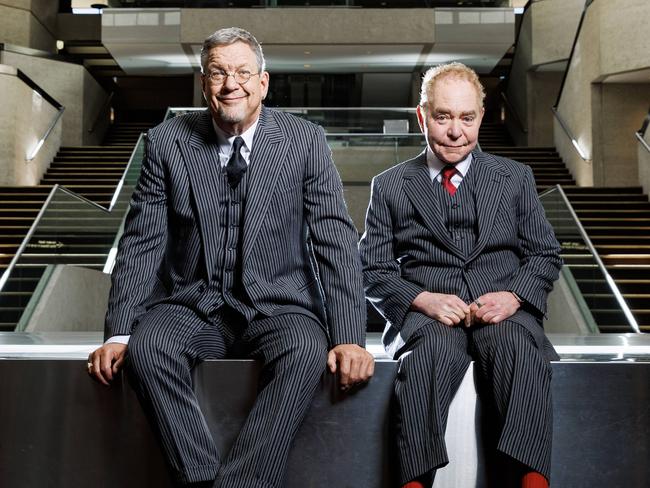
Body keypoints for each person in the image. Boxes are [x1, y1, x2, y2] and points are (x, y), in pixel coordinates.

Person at [87, 27, 374, 488]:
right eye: (218, 72)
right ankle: (200, 478)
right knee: (149, 349)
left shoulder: (304, 141)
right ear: (204, 83)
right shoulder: (166, 142)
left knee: (305, 351)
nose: (230, 84)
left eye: (242, 72)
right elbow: (142, 243)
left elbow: (334, 241)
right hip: (192, 305)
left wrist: (349, 337)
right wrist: (120, 332)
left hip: (278, 306)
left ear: (263, 83)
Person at [359, 62, 562, 488]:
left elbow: (544, 253)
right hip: (430, 318)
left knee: (516, 348)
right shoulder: (391, 185)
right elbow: (371, 268)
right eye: (443, 116)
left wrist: (513, 297)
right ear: (422, 116)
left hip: (503, 312)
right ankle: (414, 482)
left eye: (467, 118)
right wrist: (422, 299)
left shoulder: (515, 178)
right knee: (427, 358)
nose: (456, 130)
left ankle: (531, 480)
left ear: (481, 118)